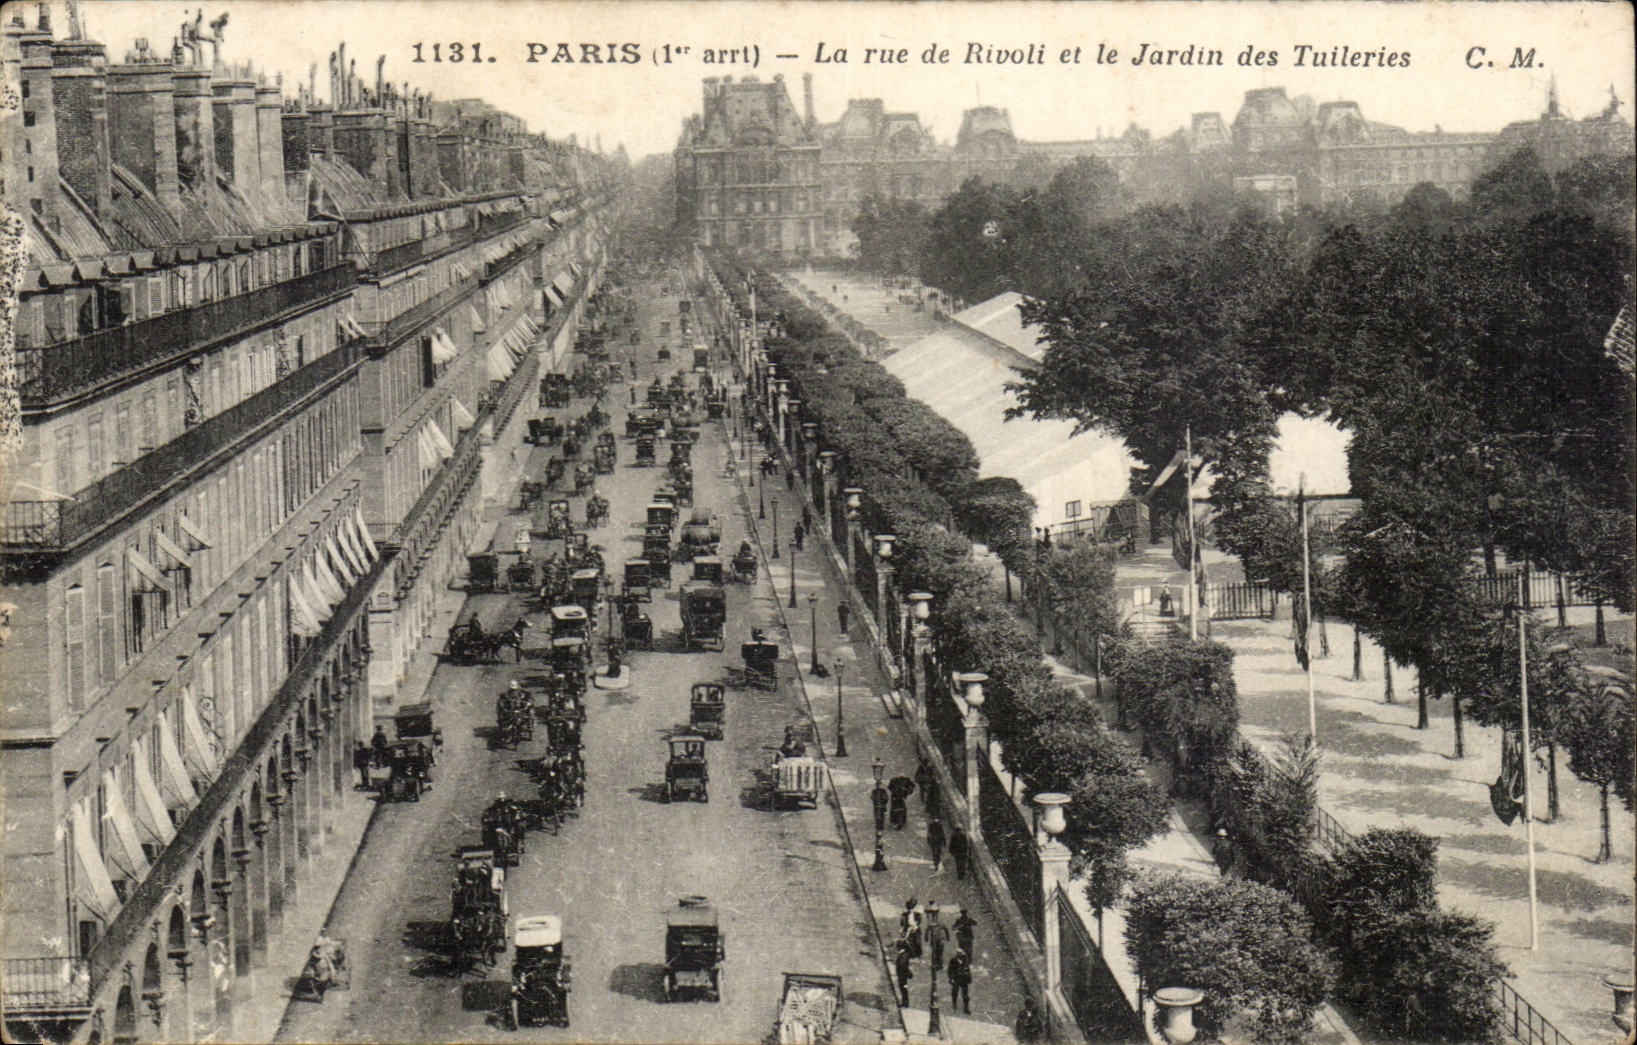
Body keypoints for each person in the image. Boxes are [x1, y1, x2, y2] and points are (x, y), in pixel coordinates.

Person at [947, 946, 973, 1015]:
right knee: (955, 993)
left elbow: (967, 969)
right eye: (958, 953)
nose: (960, 954)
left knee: (965, 995)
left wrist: (969, 979)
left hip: (964, 979)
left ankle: (966, 1008)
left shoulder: (965, 960)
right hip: (956, 979)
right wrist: (951, 978)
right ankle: (954, 1005)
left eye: (961, 953)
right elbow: (950, 970)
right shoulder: (953, 961)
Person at [925, 903, 949, 971]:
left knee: (939, 952)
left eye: (935, 913)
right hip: (934, 939)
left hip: (940, 938)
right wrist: (926, 937)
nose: (934, 915)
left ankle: (939, 964)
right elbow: (928, 929)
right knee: (934, 952)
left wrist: (947, 936)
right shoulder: (931, 922)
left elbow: (945, 929)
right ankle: (935, 964)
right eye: (933, 914)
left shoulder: (940, 920)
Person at [893, 939, 914, 1007]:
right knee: (903, 989)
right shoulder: (903, 954)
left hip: (902, 975)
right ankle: (905, 1002)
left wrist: (908, 973)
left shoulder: (903, 955)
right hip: (902, 975)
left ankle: (905, 1003)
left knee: (903, 989)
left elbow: (903, 965)